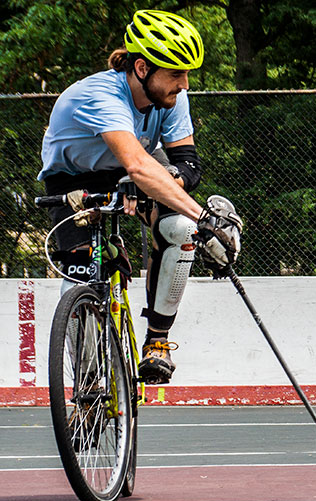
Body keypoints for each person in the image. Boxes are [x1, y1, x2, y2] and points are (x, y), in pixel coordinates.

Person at [38, 9, 243, 384]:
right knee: (78, 277)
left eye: (186, 73)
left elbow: (188, 166)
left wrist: (166, 185)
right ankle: (88, 387)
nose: (183, 84)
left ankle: (157, 342)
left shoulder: (172, 98)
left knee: (181, 228)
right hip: (72, 179)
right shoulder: (100, 94)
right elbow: (134, 164)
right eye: (175, 73)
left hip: (136, 166)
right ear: (143, 68)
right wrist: (206, 219)